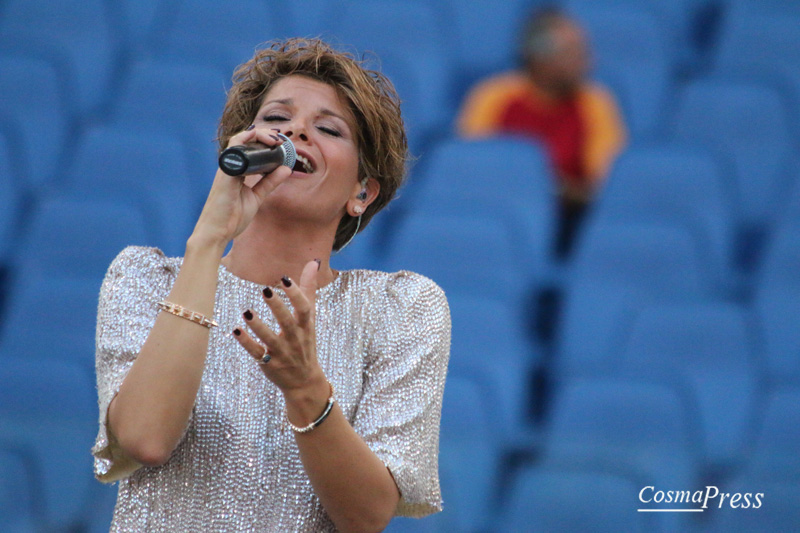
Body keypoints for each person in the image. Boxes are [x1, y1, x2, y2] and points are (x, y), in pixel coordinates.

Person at [92, 38, 451, 532]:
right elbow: (145, 440)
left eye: (327, 129)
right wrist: (209, 240)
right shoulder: (145, 277)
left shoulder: (400, 309)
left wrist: (306, 388)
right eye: (276, 119)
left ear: (362, 192)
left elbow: (367, 515)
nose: (295, 131)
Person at [457, 7, 626, 257]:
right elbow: (471, 170)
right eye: (575, 54)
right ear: (541, 59)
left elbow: (605, 185)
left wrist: (556, 190)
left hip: (568, 225)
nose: (589, 63)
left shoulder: (596, 103)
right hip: (495, 216)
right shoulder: (493, 96)